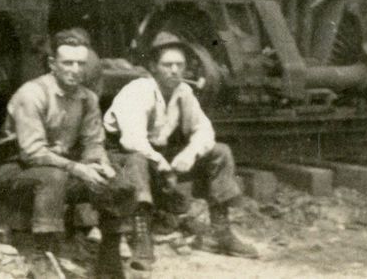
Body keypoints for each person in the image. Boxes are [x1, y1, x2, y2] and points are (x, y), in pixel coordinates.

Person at [0, 29, 136, 279]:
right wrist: (78, 168)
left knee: (116, 179)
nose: (75, 70)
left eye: (80, 63)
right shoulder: (32, 94)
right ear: (52, 64)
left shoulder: (87, 98)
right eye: (67, 63)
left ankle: (110, 261)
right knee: (53, 177)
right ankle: (43, 258)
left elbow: (93, 142)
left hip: (62, 168)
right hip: (17, 173)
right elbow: (32, 153)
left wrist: (100, 164)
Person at [104, 37, 259, 266]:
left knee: (220, 152)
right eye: (167, 65)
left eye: (180, 65)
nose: (175, 71)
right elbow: (132, 141)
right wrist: (162, 164)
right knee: (137, 160)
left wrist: (190, 153)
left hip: (157, 158)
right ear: (154, 67)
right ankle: (141, 239)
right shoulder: (138, 91)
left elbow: (204, 130)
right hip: (122, 159)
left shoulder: (183, 92)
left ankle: (221, 233)